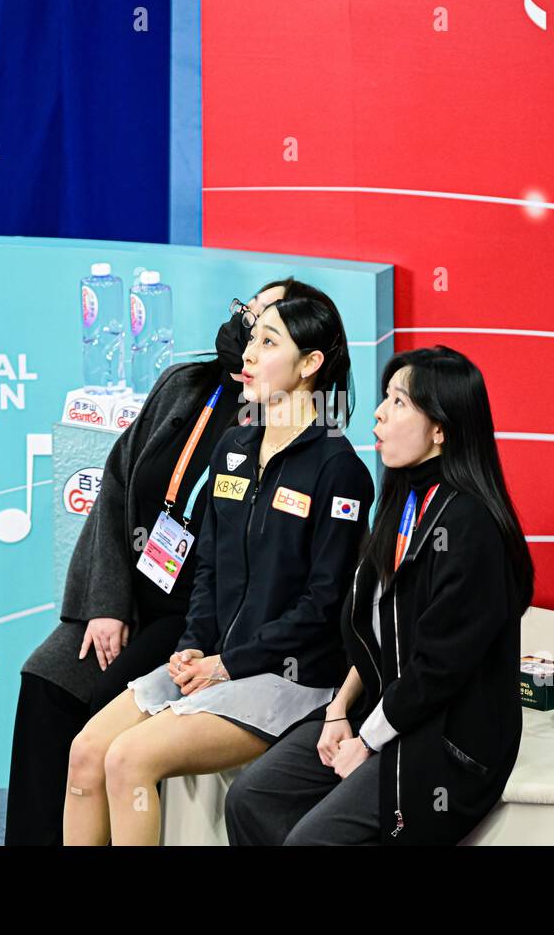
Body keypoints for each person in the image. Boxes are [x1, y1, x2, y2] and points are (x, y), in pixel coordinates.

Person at [61, 284, 374, 845]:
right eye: (252, 339)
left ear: (310, 364)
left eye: (269, 342)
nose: (248, 354)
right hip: (216, 661)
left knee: (128, 759)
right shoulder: (232, 446)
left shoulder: (339, 470)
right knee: (86, 752)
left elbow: (324, 605)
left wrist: (228, 663)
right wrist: (193, 645)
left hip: (288, 677)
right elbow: (207, 567)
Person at [3, 278, 303, 845]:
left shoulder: (285, 422)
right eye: (249, 315)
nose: (250, 334)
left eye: (269, 327)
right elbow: (117, 485)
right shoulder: (186, 384)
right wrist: (106, 603)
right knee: (45, 680)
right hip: (134, 592)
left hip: (196, 616)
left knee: (101, 708)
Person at [224, 345, 535, 845]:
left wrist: (366, 740)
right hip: (386, 712)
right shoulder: (402, 501)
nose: (379, 413)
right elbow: (369, 637)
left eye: (399, 402)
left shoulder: (470, 524)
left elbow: (438, 670)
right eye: (385, 398)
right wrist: (339, 711)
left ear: (441, 428)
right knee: (250, 796)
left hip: (446, 738)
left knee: (313, 840)